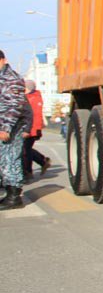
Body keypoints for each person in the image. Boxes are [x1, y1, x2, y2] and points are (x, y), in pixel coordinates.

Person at [0, 50, 32, 210]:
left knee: (10, 160)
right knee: (3, 161)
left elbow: (14, 106)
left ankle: (14, 197)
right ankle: (9, 193)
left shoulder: (12, 79)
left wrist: (6, 128)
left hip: (11, 127)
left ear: (3, 60)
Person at [22, 79, 49, 179]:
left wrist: (32, 130)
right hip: (29, 128)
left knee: (25, 150)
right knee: (25, 149)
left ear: (28, 88)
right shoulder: (30, 97)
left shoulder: (33, 98)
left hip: (31, 129)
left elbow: (35, 116)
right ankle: (42, 161)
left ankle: (28, 172)